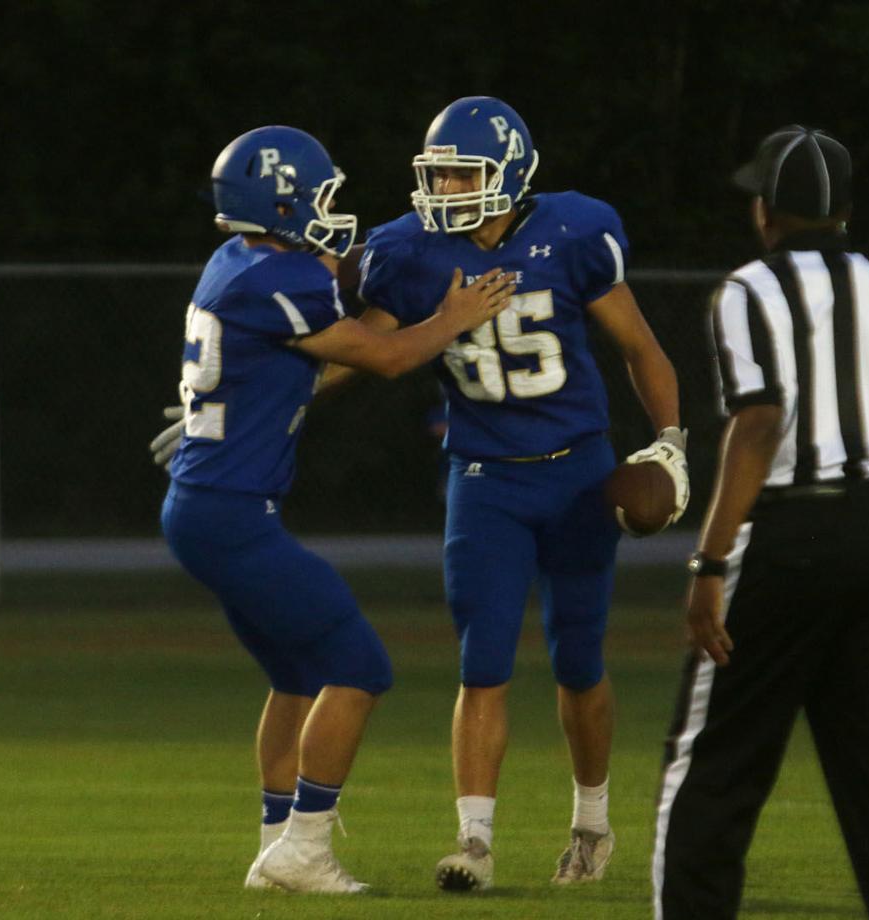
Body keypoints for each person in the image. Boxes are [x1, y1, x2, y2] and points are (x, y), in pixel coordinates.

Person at [155, 125, 514, 894]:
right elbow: (386, 356)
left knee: (295, 675)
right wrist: (454, 317)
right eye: (317, 197)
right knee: (359, 667)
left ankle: (272, 848)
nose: (328, 210)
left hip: (202, 504)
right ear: (282, 204)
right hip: (231, 514)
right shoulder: (279, 279)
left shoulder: (236, 261)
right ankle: (304, 850)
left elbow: (309, 294)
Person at [353, 96, 688, 891]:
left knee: (579, 659)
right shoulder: (408, 250)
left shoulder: (572, 232)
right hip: (484, 479)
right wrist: (270, 397)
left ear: (508, 173)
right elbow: (362, 350)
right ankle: (473, 841)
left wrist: (671, 439)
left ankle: (592, 825)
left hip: (578, 472)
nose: (446, 189)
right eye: (438, 175)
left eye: (463, 174)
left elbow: (639, 345)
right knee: (483, 663)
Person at [652, 125, 869, 920]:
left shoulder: (749, 290)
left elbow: (759, 423)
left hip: (791, 537)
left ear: (766, 211)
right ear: (844, 213)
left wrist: (708, 562)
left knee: (716, 770)